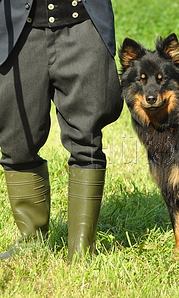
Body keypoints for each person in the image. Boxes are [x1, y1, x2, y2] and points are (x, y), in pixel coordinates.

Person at [0, 0, 123, 262]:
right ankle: (31, 242)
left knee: (86, 140)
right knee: (16, 143)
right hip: (18, 31)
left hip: (83, 24)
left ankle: (81, 249)